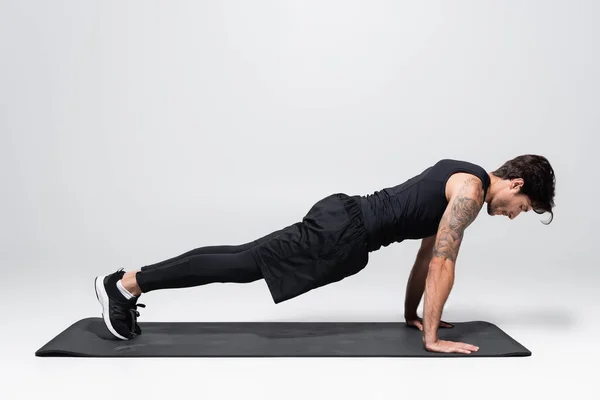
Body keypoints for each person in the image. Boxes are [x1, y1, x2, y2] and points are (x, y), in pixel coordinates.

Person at [94, 154, 556, 354]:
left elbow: (427, 255)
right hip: (343, 230)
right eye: (524, 208)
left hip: (346, 227)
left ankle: (129, 282)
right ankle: (125, 283)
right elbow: (443, 261)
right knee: (243, 262)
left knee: (245, 261)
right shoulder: (471, 191)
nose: (515, 215)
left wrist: (412, 314)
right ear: (516, 184)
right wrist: (431, 339)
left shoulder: (464, 179)